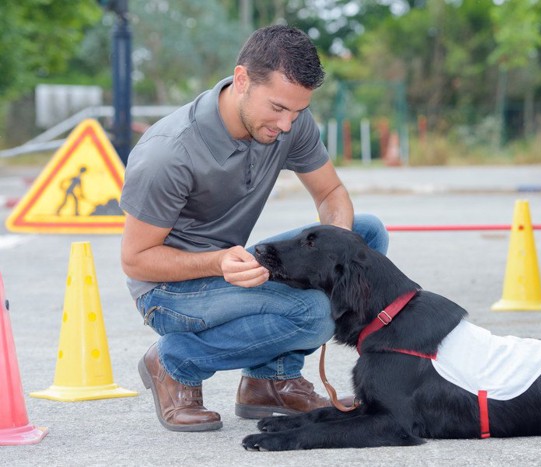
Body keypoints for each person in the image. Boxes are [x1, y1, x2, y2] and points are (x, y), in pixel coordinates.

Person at [119, 25, 388, 432]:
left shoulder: (290, 120)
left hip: (232, 263)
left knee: (366, 235)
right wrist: (217, 262)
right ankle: (174, 363)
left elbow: (331, 192)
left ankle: (268, 382)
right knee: (314, 314)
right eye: (278, 109)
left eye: (297, 112)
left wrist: (336, 253)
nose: (287, 125)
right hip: (168, 290)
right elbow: (136, 261)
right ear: (242, 79)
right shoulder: (168, 153)